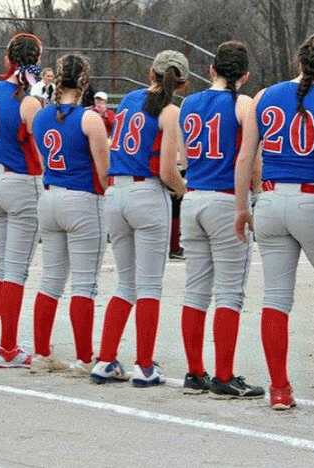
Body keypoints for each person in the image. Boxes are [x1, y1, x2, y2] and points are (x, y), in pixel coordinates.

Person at [234, 34, 314, 409]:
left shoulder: (263, 97)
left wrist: (243, 207)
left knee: (275, 298)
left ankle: (279, 388)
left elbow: (245, 158)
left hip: (270, 200)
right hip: (312, 200)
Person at [90, 50, 189, 387]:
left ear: (151, 73)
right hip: (146, 193)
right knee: (148, 285)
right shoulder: (171, 110)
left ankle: (105, 360)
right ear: (183, 82)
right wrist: (185, 190)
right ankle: (145, 366)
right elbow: (166, 171)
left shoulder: (130, 98)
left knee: (125, 284)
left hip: (115, 192)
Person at [178, 41, 263, 399]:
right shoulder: (243, 103)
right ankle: (224, 375)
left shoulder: (188, 102)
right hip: (226, 198)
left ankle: (195, 372)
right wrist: (255, 196)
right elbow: (252, 158)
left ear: (211, 69)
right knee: (229, 292)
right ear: (244, 76)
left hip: (193, 196)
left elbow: (183, 155)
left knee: (195, 290)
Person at [29, 54, 110, 375]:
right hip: (82, 199)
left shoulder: (40, 116)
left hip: (50, 197)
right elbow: (104, 172)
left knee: (51, 280)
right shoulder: (90, 119)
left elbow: (44, 161)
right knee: (84, 283)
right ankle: (84, 356)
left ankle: (40, 352)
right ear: (84, 82)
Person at [0, 33, 44, 368]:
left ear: (7, 58)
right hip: (21, 179)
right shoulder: (29, 96)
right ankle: (8, 347)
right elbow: (39, 145)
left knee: (1, 268)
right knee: (15, 271)